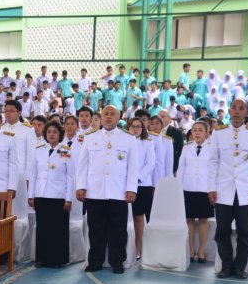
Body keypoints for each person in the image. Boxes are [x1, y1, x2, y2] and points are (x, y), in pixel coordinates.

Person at [77, 105, 139, 274]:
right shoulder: (90, 138)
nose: (109, 117)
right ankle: (95, 262)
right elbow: (82, 165)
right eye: (106, 114)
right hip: (95, 191)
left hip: (118, 192)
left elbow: (133, 167)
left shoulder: (128, 139)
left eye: (113, 114)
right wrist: (81, 186)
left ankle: (117, 262)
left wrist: (131, 189)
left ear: (118, 118)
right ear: (101, 117)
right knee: (95, 229)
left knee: (118, 230)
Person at [208, 98, 248, 280]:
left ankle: (240, 267)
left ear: (246, 112)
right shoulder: (219, 133)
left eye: (241, 109)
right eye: (234, 108)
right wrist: (211, 188)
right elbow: (213, 161)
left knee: (244, 232)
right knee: (222, 231)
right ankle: (226, 265)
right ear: (229, 111)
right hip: (223, 190)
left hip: (245, 191)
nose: (237, 112)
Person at [28, 120, 75, 268]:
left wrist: (69, 198)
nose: (52, 134)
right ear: (45, 134)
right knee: (42, 228)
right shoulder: (39, 149)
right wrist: (31, 195)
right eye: (49, 132)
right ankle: (41, 258)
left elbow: (70, 176)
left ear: (60, 134)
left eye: (55, 132)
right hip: (41, 194)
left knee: (58, 229)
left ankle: (58, 259)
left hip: (59, 196)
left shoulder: (66, 151)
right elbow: (33, 174)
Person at [178, 121, 214, 263]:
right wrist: (179, 189)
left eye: (200, 130)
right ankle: (191, 249)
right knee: (190, 220)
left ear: (207, 133)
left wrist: (213, 189)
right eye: (194, 130)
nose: (197, 133)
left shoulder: (212, 148)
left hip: (205, 189)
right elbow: (180, 169)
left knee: (204, 220)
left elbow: (214, 170)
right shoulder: (186, 148)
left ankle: (201, 251)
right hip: (188, 188)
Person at [126, 117, 155, 259]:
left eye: (138, 126)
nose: (135, 129)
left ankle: (137, 248)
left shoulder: (147, 143)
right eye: (132, 126)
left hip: (141, 184)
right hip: (124, 185)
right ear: (128, 128)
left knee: (138, 217)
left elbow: (150, 164)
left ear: (142, 129)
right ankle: (126, 248)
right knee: (125, 217)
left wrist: (136, 177)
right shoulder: (123, 142)